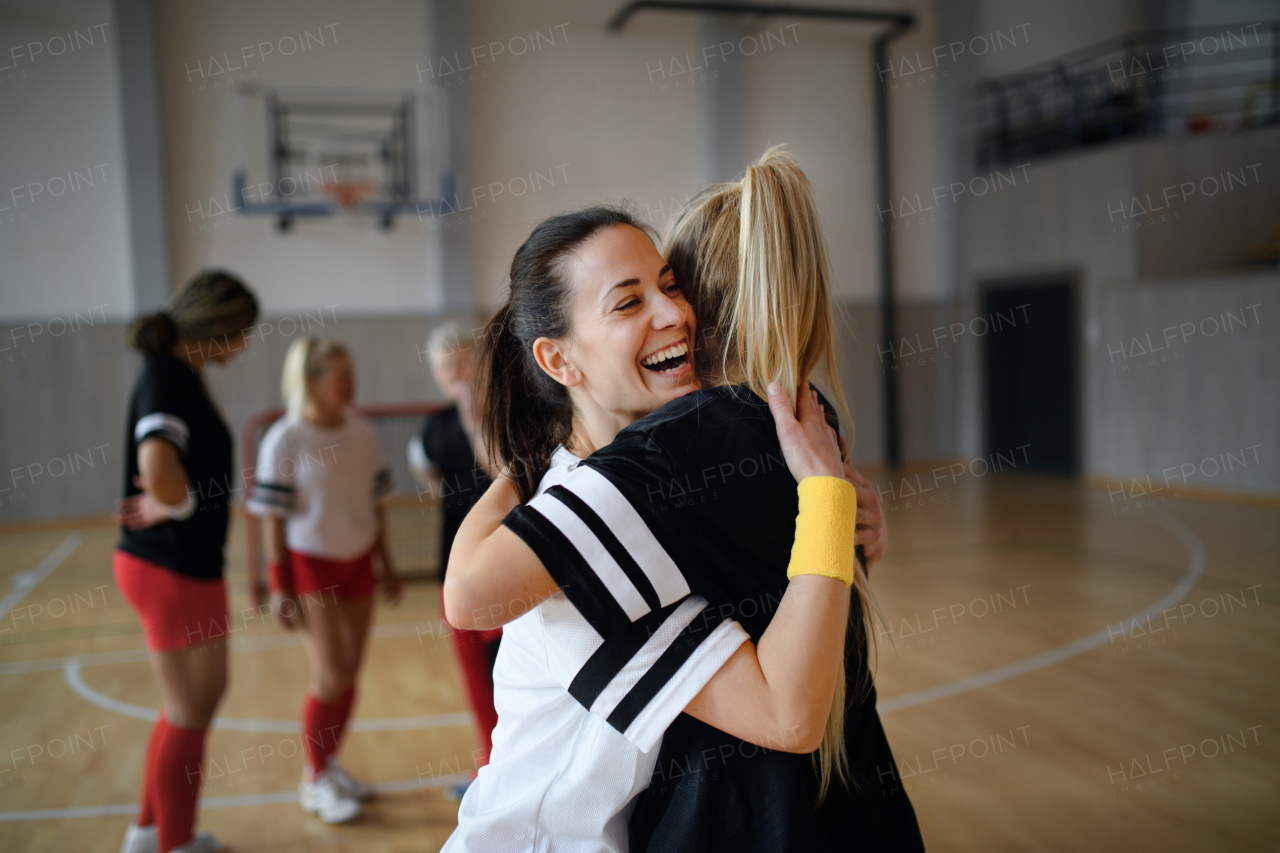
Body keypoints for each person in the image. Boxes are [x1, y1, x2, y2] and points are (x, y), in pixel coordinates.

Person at [447, 149, 918, 851]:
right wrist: (825, 503)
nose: (676, 312)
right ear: (560, 359)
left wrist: (842, 519)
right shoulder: (602, 513)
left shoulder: (658, 476)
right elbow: (787, 711)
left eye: (670, 285)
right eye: (630, 302)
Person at [113, 270, 259, 853]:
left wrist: (177, 500)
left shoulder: (177, 375)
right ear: (218, 328)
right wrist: (179, 501)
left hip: (180, 566)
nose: (244, 346)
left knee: (189, 705)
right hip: (169, 569)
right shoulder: (167, 381)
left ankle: (150, 833)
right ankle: (173, 843)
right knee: (190, 709)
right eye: (241, 333)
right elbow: (158, 467)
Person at [245, 335, 402, 823]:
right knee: (330, 674)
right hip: (310, 566)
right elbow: (271, 517)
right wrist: (278, 586)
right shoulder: (285, 439)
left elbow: (375, 505)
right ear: (312, 381)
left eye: (351, 372)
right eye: (340, 375)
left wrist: (386, 565)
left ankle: (329, 765)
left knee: (351, 672)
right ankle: (314, 780)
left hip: (358, 562)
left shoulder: (360, 432)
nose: (351, 383)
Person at [407, 321, 499, 796]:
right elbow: (425, 469)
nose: (456, 374)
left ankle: (511, 764)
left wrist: (474, 415)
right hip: (456, 568)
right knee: (473, 674)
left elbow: (498, 470)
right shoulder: (436, 425)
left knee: (507, 671)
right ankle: (488, 761)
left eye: (464, 361)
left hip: (505, 566)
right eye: (446, 368)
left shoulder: (503, 414)